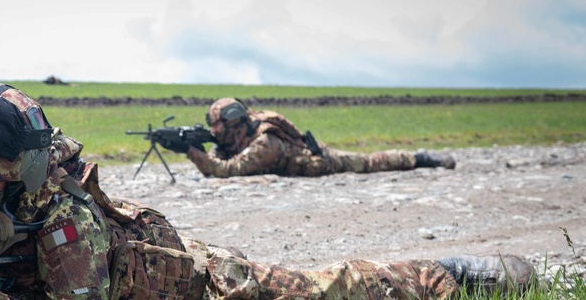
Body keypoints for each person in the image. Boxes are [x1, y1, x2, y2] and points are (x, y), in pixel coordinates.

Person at [0, 24, 533, 300]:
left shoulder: (64, 216)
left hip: (184, 277)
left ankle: (444, 275)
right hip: (101, 277)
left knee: (317, 294)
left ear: (16, 175)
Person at [185, 97, 456, 178]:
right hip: (303, 153)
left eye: (220, 126)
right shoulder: (240, 135)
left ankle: (419, 159)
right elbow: (225, 152)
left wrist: (193, 152)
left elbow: (228, 169)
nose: (216, 132)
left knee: (367, 162)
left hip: (319, 160)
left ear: (233, 123)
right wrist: (212, 147)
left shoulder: (264, 143)